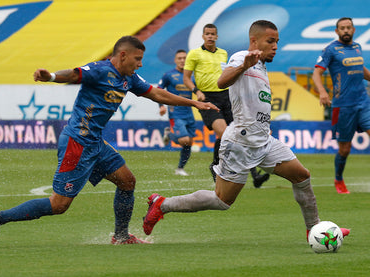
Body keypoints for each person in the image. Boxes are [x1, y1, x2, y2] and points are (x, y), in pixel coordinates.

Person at [0, 36, 219, 247]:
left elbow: (157, 93)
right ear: (122, 55)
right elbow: (73, 74)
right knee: (59, 205)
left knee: (127, 181)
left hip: (95, 143)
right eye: (137, 58)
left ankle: (121, 236)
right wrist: (49, 76)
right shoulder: (101, 70)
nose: (140, 63)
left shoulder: (129, 78)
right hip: (77, 143)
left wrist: (194, 103)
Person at [142, 20, 350, 241]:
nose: (275, 46)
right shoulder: (241, 57)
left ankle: (315, 229)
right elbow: (222, 81)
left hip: (263, 140)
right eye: (270, 41)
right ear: (254, 41)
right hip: (240, 143)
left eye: (277, 42)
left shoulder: (260, 65)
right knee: (222, 201)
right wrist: (243, 66)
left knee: (302, 176)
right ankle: (162, 204)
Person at [183, 23, 269, 187]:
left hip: (226, 96)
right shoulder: (194, 54)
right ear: (203, 36)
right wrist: (196, 91)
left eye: (212, 34)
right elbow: (186, 78)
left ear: (216, 36)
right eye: (207, 33)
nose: (210, 36)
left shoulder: (223, 53)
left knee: (241, 135)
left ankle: (255, 175)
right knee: (224, 134)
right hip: (207, 98)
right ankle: (215, 166)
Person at [312, 17, 370, 194]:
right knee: (345, 148)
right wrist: (322, 92)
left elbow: (361, 70)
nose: (346, 30)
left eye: (349, 28)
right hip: (343, 106)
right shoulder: (330, 50)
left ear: (353, 30)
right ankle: (338, 179)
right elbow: (316, 73)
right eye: (342, 28)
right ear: (337, 31)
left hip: (363, 102)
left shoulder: (357, 47)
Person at [158, 49, 196, 176]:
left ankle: (180, 168)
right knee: (184, 140)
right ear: (175, 60)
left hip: (189, 112)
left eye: (184, 58)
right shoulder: (168, 75)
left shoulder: (191, 76)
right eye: (179, 58)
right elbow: (158, 89)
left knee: (189, 143)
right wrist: (161, 106)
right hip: (176, 112)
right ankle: (169, 134)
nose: (182, 60)